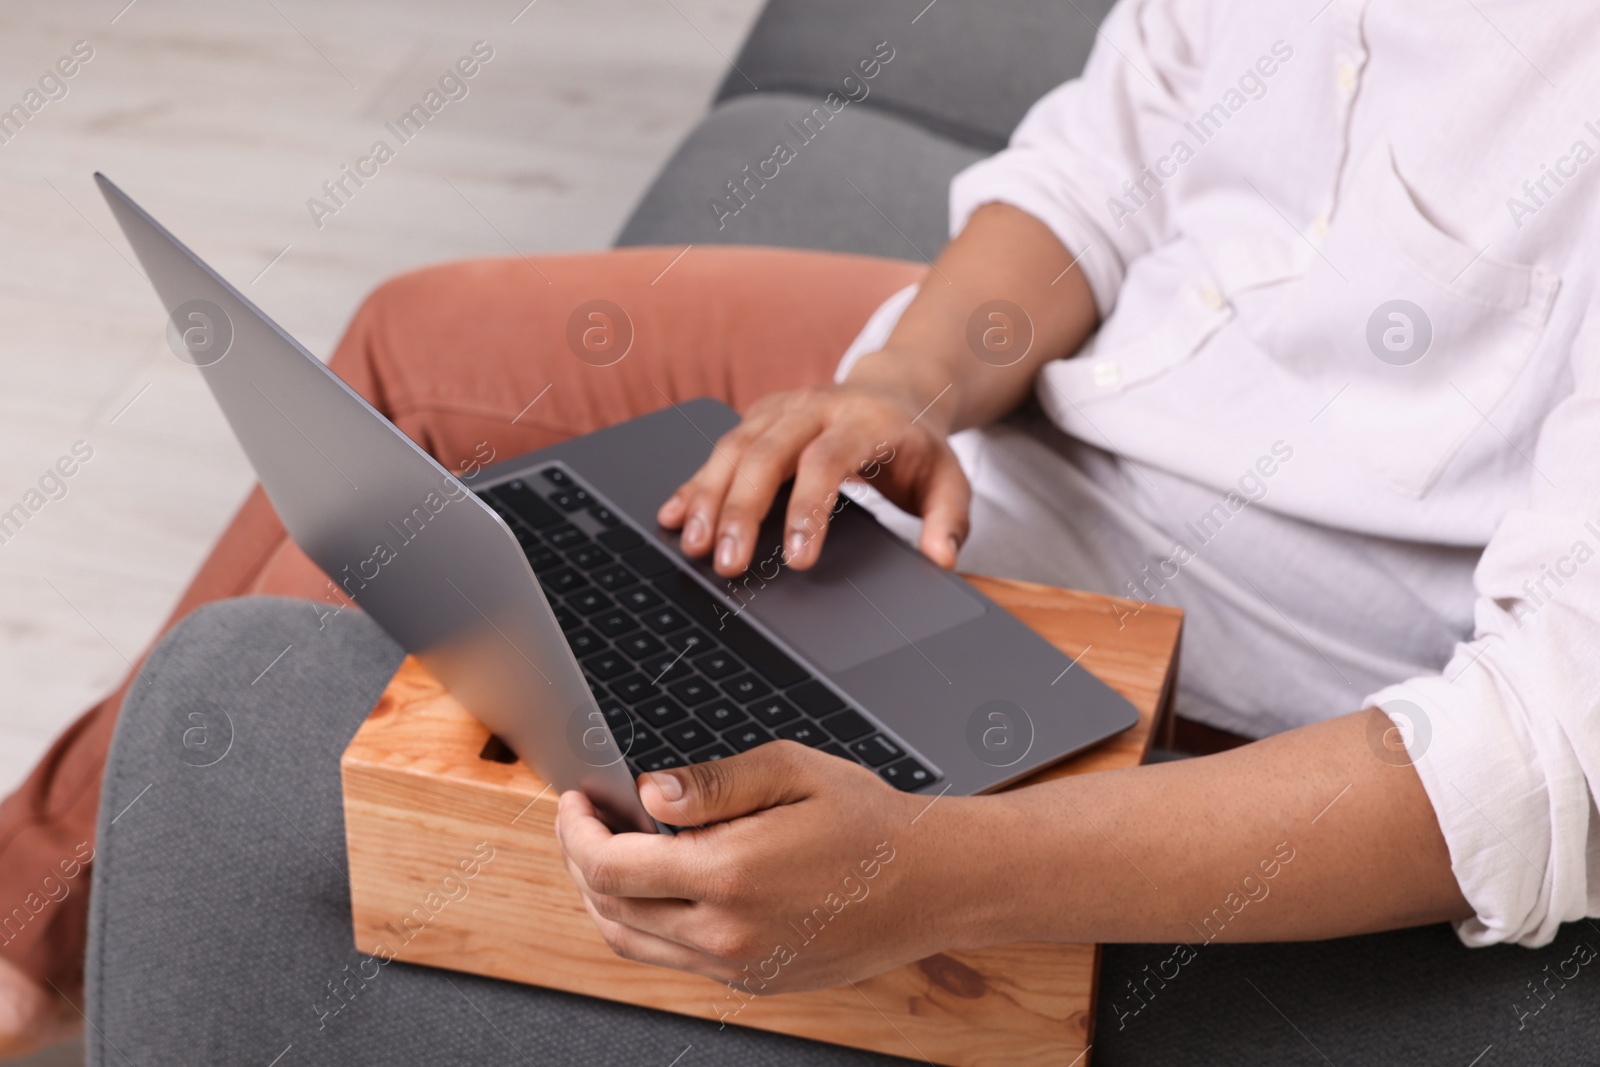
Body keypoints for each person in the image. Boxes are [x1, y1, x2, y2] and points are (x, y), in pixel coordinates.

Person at [6, 0, 1600, 1056]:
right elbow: (1112, 160)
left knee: (298, 684)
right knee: (416, 351)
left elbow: (1541, 750)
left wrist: (940, 872)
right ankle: (39, 923)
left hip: (1239, 638)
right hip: (1060, 416)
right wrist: (909, 385)